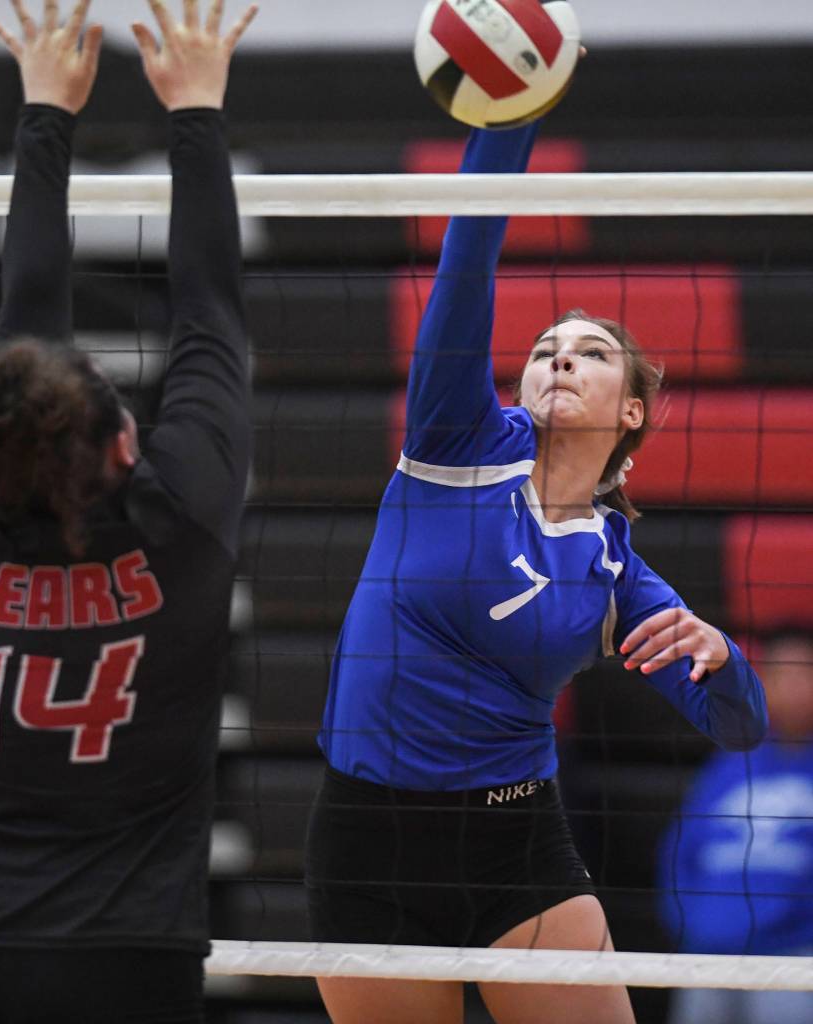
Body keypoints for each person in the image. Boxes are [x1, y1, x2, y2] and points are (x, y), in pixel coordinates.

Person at [304, 120, 769, 1024]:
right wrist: (508, 110)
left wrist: (723, 654)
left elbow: (737, 726)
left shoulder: (616, 574)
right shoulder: (454, 445)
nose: (561, 355)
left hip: (517, 849)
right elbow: (466, 258)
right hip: (371, 846)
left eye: (591, 351)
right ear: (516, 387)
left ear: (631, 410)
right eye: (545, 348)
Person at [0, 1, 256, 1021]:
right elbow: (212, 310)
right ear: (129, 445)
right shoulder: (178, 519)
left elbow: (26, 311)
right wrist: (196, 111)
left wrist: (47, 110)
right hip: (125, 945)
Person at [658, 631, 813, 1024]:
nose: (792, 686)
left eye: (804, 674)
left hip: (792, 958)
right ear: (764, 681)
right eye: (781, 673)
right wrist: (692, 925)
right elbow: (678, 853)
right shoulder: (728, 763)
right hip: (708, 955)